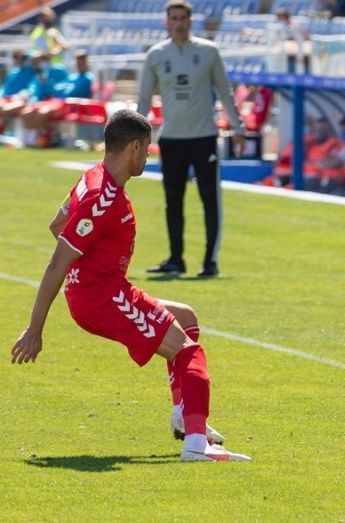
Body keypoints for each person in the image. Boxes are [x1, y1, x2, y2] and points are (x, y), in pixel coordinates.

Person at [10, 110, 250, 462]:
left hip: (104, 288)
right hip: (101, 296)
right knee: (188, 352)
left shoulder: (91, 178)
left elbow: (57, 223)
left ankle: (185, 417)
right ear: (134, 147)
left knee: (185, 317)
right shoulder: (101, 197)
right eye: (148, 147)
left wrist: (92, 263)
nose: (150, 154)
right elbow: (57, 261)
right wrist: (35, 328)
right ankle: (197, 445)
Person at [137, 0, 246, 278]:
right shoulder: (156, 55)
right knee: (173, 201)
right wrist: (136, 135)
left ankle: (210, 262)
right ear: (167, 22)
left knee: (209, 199)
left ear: (191, 20)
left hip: (204, 137)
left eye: (183, 17)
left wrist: (238, 127)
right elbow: (144, 99)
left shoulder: (208, 52)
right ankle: (176, 259)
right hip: (172, 138)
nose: (179, 23)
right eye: (174, 18)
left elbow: (225, 91)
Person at [21, 50, 95, 141]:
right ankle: (31, 140)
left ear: (86, 62)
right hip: (54, 101)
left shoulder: (88, 78)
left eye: (82, 61)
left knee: (42, 113)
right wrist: (46, 82)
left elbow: (73, 93)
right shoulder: (72, 77)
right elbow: (55, 90)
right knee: (26, 112)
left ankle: (42, 139)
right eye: (78, 61)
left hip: (68, 105)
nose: (79, 64)